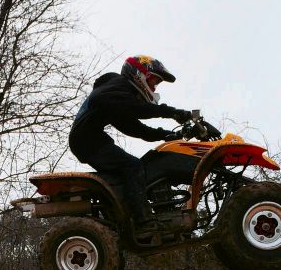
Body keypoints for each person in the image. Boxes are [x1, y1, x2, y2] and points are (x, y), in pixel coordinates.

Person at [68, 55, 194, 237]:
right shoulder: (116, 87)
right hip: (88, 140)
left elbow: (135, 128)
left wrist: (167, 135)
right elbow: (138, 109)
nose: (153, 87)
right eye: (153, 81)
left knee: (127, 170)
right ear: (139, 74)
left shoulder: (116, 97)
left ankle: (121, 216)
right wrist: (171, 112)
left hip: (90, 139)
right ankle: (144, 222)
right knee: (132, 166)